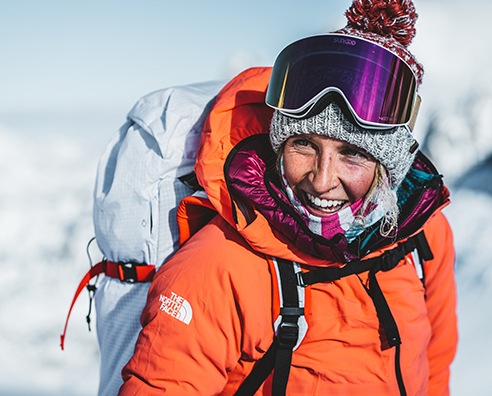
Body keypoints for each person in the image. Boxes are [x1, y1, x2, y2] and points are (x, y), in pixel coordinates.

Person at [118, 0, 457, 395]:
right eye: (304, 145)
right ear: (279, 145)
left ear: (390, 165)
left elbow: (435, 362)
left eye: (353, 153)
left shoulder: (422, 234)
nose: (321, 179)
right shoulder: (222, 266)